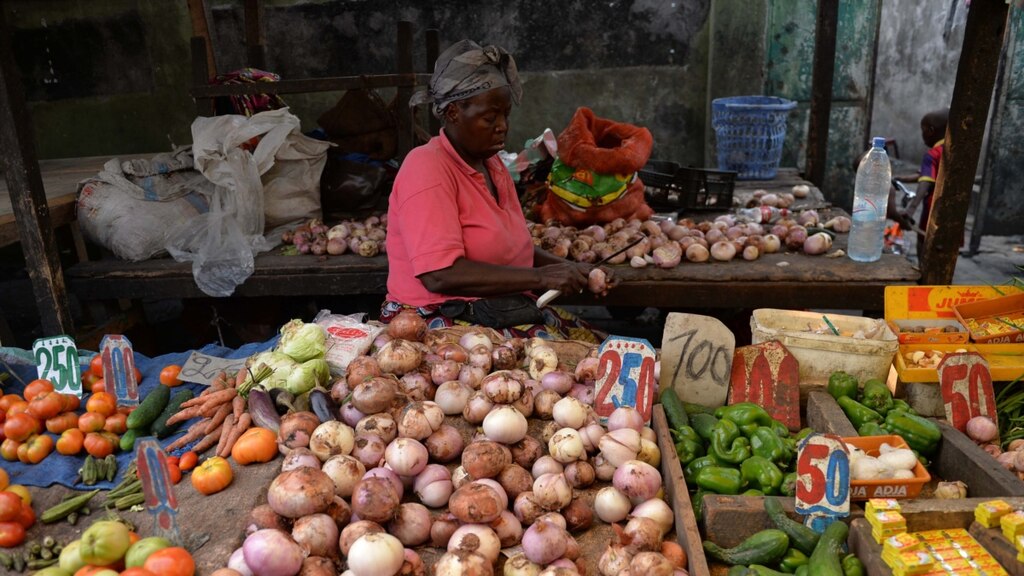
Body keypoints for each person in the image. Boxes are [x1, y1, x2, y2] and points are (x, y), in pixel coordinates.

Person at [380, 40, 612, 342]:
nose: (502, 126)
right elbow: (439, 275)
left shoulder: (492, 164)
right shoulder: (427, 168)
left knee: (604, 345)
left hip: (499, 307)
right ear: (452, 112)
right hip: (439, 320)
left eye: (506, 115)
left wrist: (574, 269)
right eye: (490, 118)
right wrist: (542, 277)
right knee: (577, 363)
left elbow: (517, 251)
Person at [901, 108, 949, 251]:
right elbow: (924, 175)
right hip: (954, 209)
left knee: (925, 244)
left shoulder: (932, 154)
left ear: (930, 131)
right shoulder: (954, 151)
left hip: (934, 208)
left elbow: (925, 182)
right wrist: (898, 178)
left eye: (923, 130)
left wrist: (911, 209)